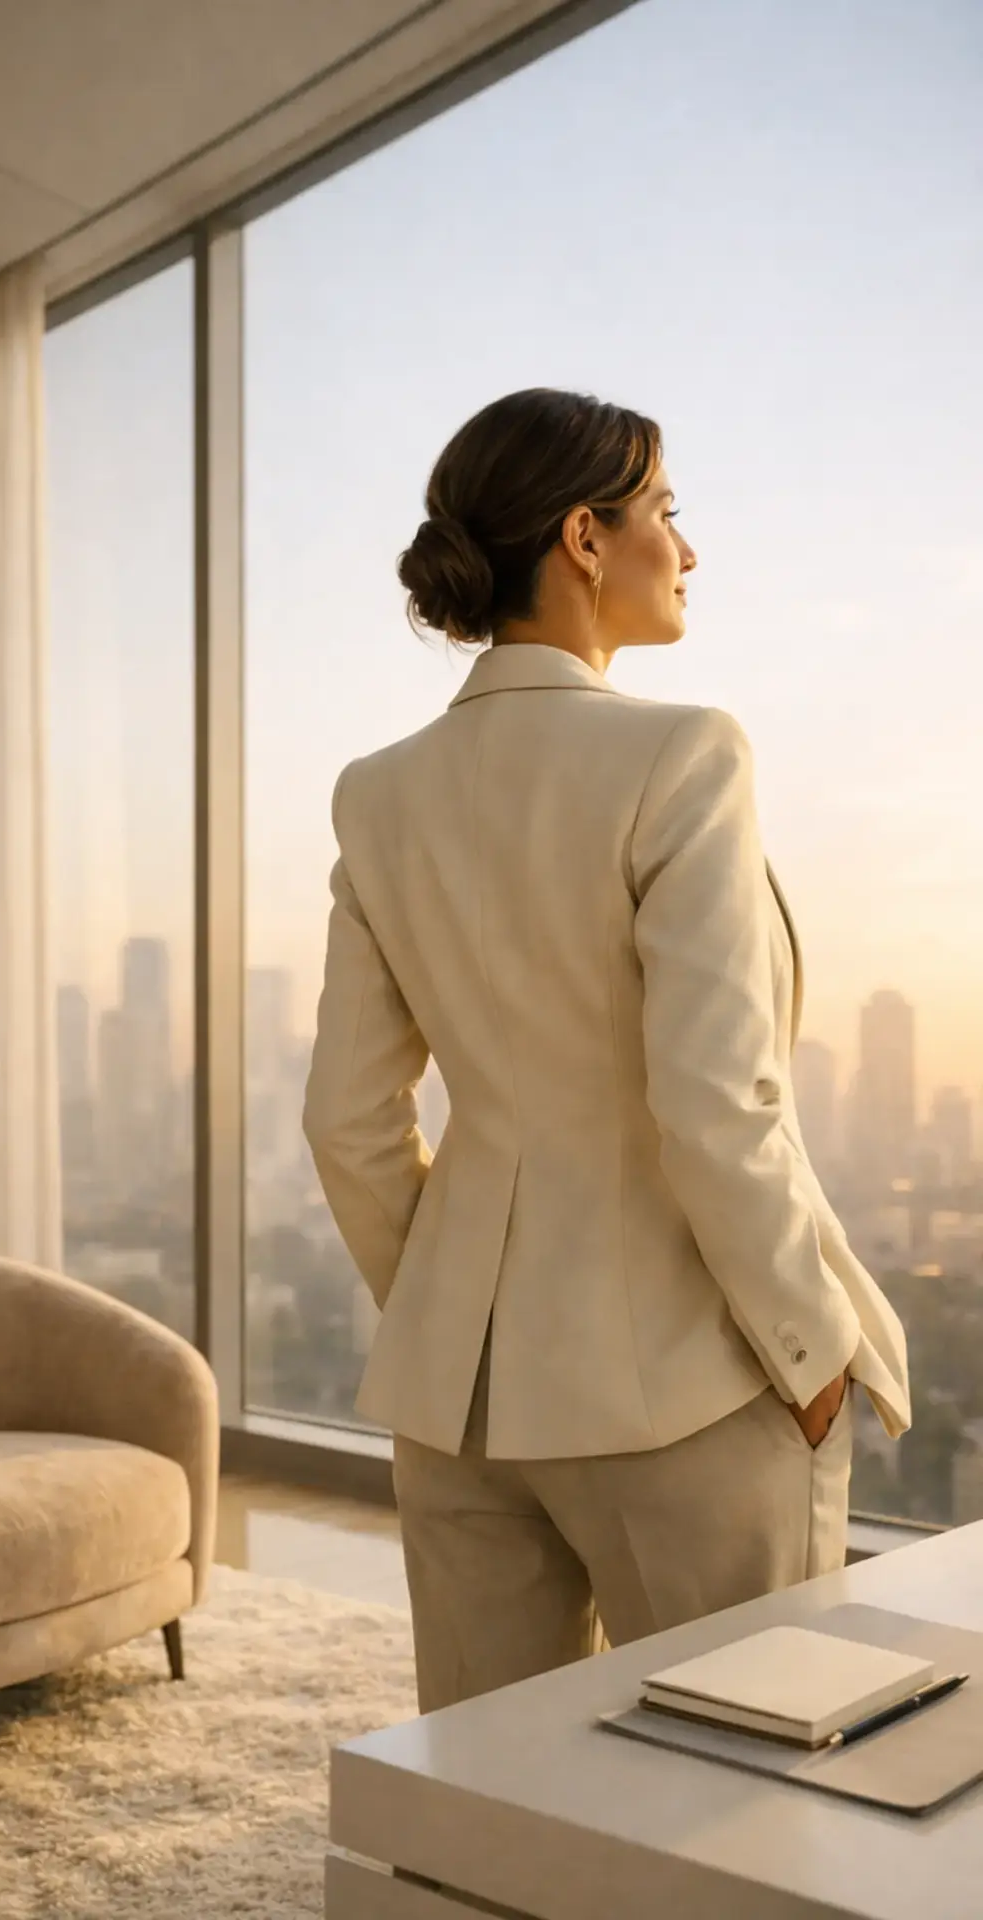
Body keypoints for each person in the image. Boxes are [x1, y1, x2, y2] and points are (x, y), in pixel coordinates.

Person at [302, 388, 911, 1715]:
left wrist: (456, 1311)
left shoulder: (376, 789)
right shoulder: (684, 752)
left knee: (490, 1803)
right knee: (739, 1803)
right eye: (668, 515)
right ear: (585, 537)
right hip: (682, 1393)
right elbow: (717, 1101)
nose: (688, 551)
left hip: (458, 1401)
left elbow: (347, 1123)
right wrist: (811, 1354)